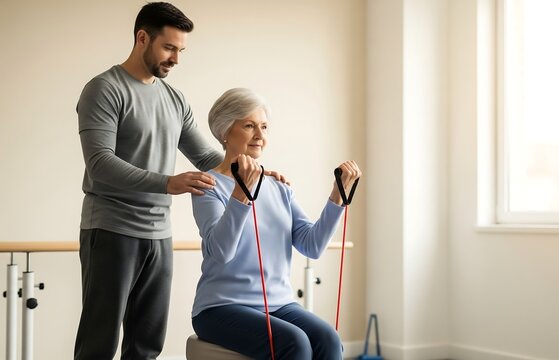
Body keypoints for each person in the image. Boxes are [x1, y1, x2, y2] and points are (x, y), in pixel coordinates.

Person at [74, 3, 234, 359]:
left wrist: (249, 169)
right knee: (97, 344)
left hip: (159, 237)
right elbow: (100, 163)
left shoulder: (174, 99)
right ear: (142, 38)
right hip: (111, 229)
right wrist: (168, 183)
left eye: (181, 50)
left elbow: (207, 159)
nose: (176, 58)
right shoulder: (104, 89)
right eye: (169, 47)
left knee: (146, 347)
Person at [190, 87, 361, 360]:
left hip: (279, 304)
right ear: (224, 131)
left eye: (264, 127)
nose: (260, 135)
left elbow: (312, 245)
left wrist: (336, 197)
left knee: (328, 339)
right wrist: (241, 194)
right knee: (294, 343)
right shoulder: (207, 186)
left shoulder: (279, 187)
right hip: (220, 307)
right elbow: (221, 252)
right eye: (249, 125)